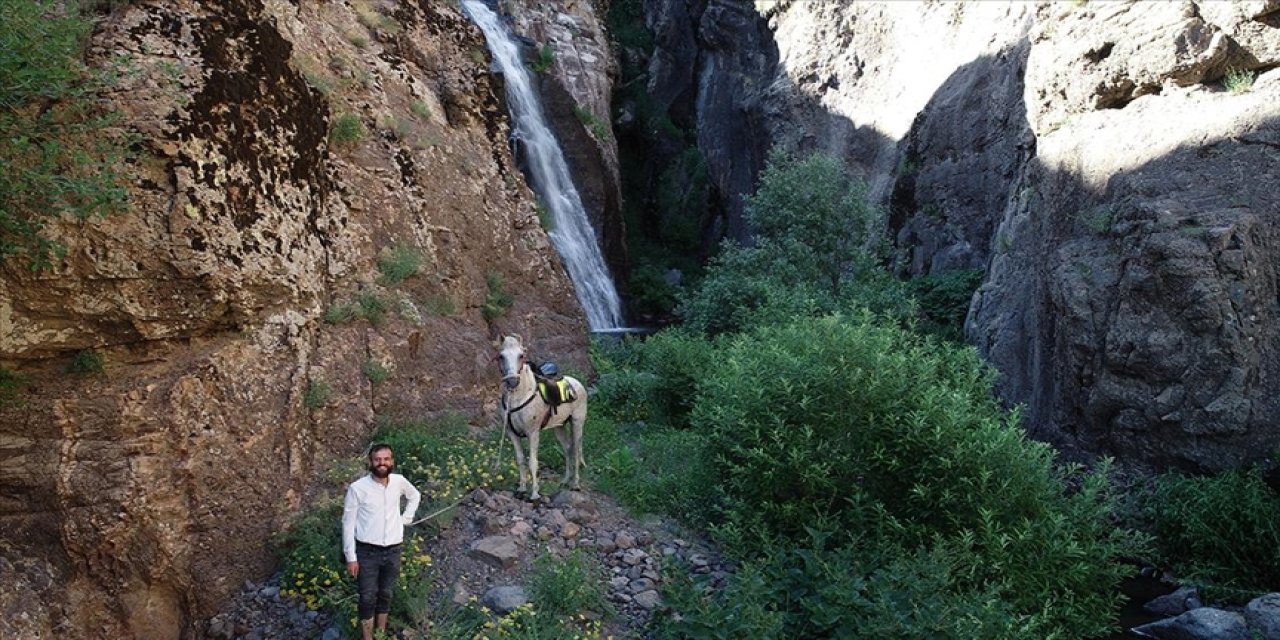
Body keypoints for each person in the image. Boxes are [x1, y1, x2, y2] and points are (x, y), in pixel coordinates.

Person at [342, 443, 421, 640]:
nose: (382, 463)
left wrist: (406, 518)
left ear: (392, 461)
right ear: (371, 462)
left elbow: (415, 496)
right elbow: (348, 524)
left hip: (393, 549)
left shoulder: (398, 481)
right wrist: (351, 557)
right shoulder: (357, 488)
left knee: (386, 594)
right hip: (367, 552)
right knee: (367, 597)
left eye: (386, 459)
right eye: (378, 459)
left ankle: (381, 634)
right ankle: (368, 638)